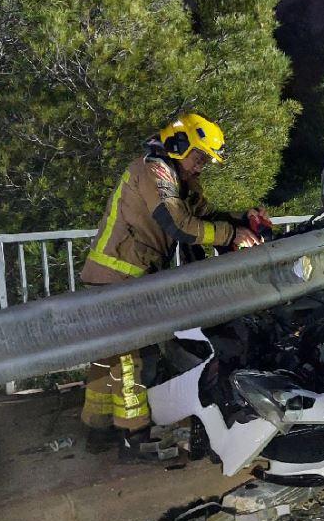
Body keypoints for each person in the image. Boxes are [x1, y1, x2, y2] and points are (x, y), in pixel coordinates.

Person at [79, 113, 264, 459]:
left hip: (126, 278)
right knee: (130, 360)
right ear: (180, 144)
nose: (201, 166)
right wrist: (230, 235)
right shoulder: (153, 170)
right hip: (117, 278)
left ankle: (96, 430)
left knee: (108, 359)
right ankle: (133, 437)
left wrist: (241, 220)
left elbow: (202, 216)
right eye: (199, 157)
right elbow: (179, 224)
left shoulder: (177, 177)